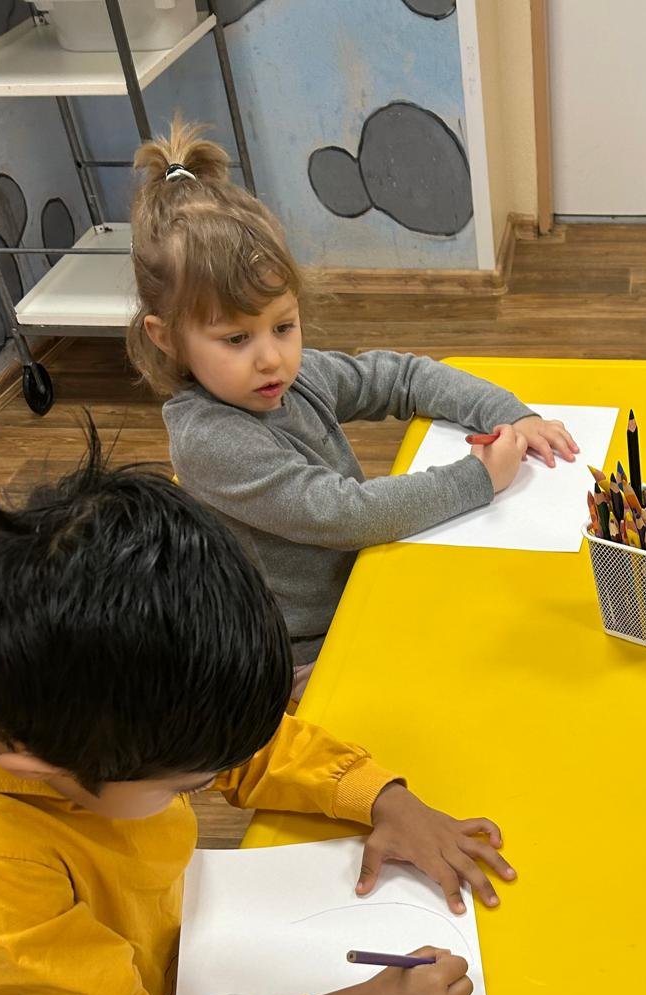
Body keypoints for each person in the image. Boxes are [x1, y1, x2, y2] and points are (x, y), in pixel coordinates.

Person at [0, 429, 515, 995]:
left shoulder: (92, 719)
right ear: (44, 768)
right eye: (185, 787)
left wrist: (381, 797)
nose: (205, 785)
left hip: (182, 970)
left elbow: (241, 746)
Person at [127, 119, 578, 693]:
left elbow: (401, 377)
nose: (271, 358)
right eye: (236, 339)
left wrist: (510, 413)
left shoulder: (289, 378)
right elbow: (345, 514)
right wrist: (478, 477)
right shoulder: (211, 439)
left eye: (283, 326)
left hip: (364, 584)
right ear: (166, 338)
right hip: (304, 653)